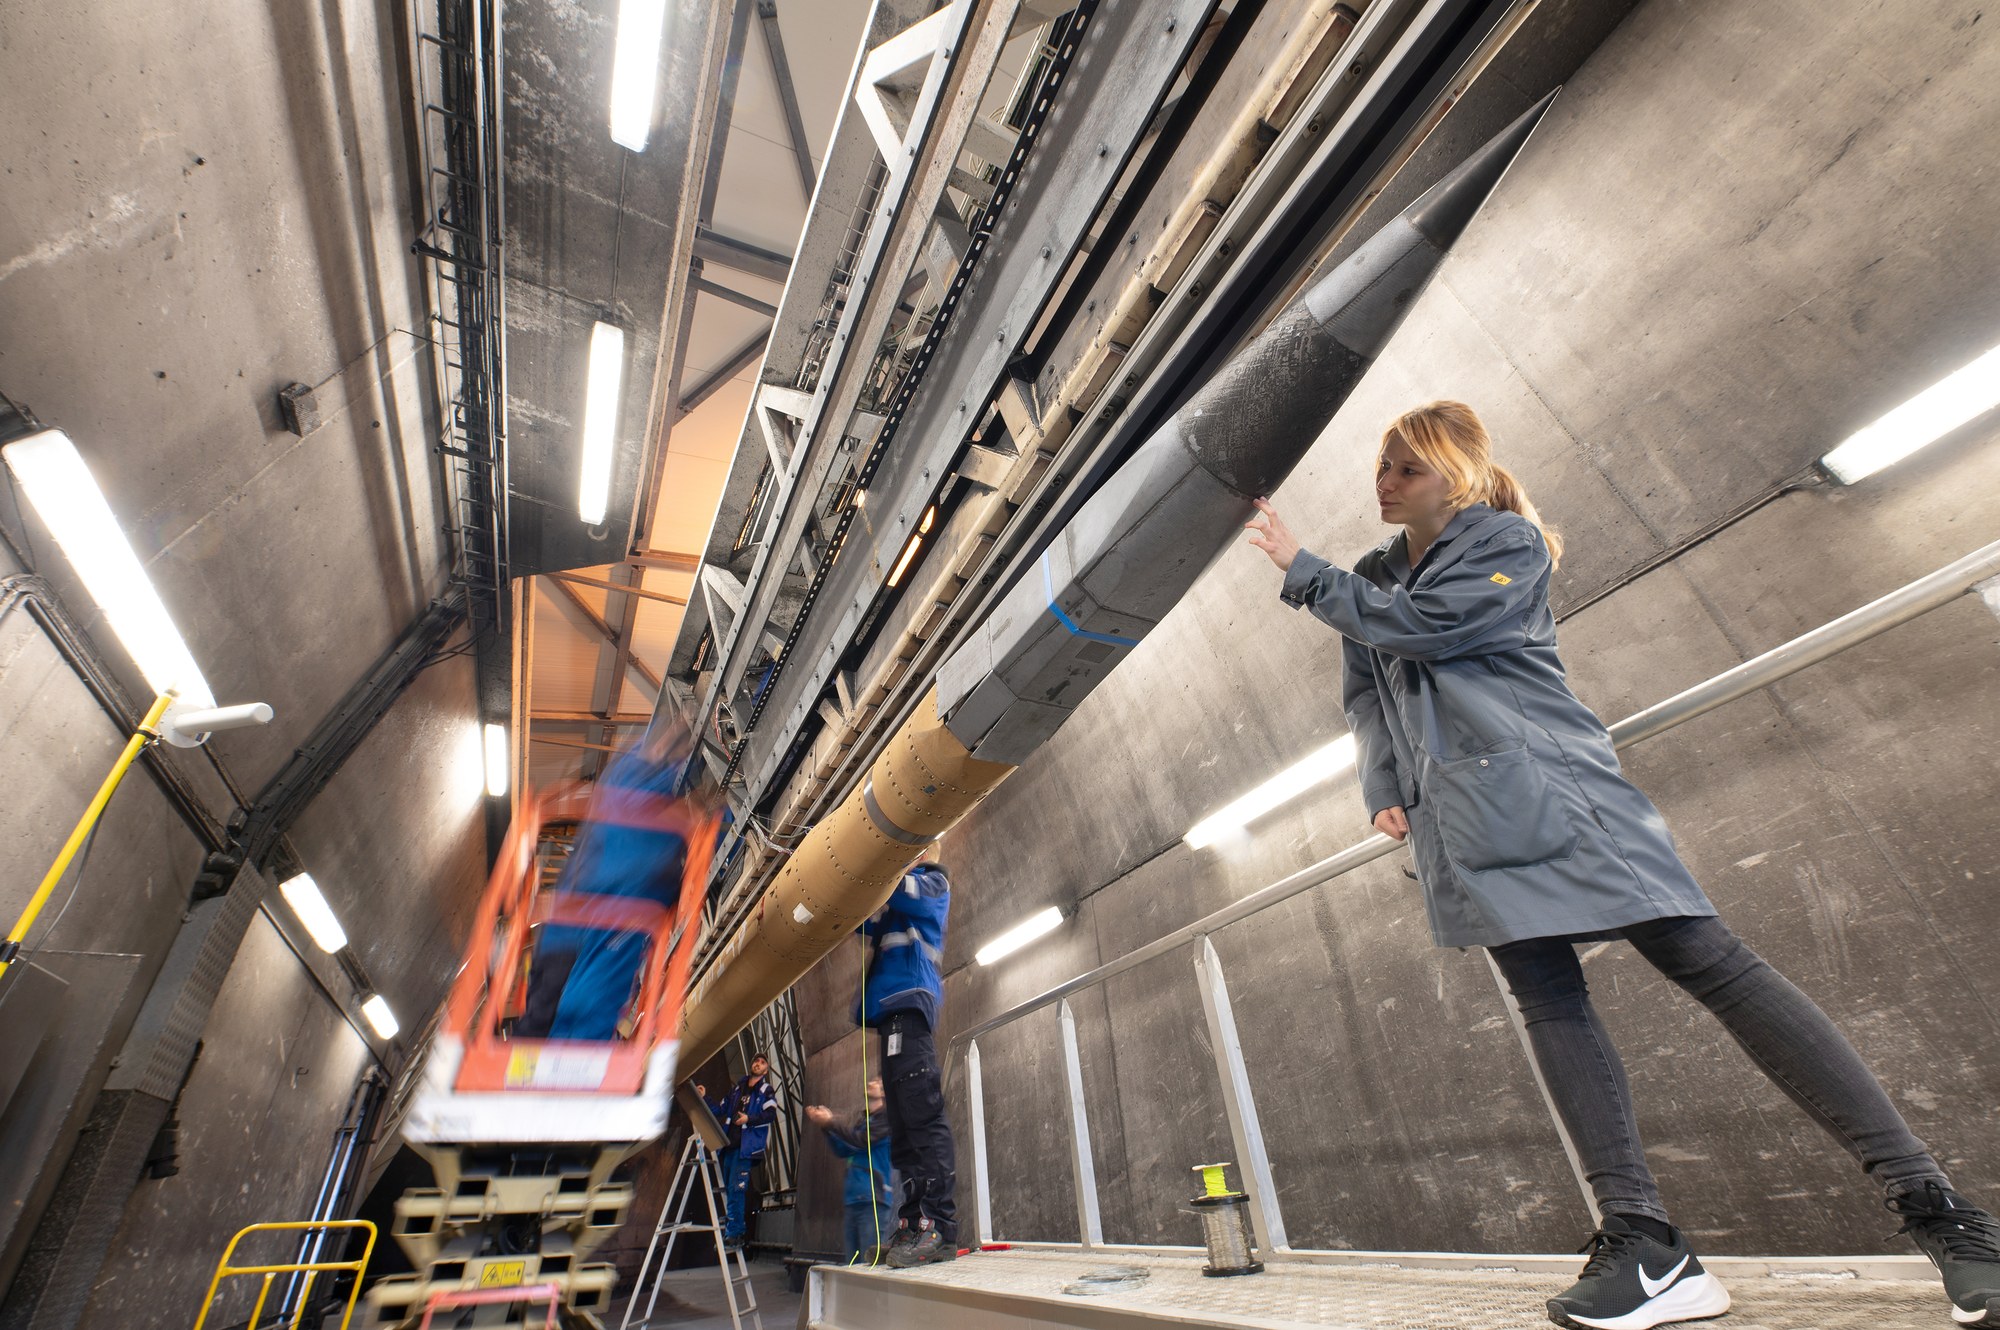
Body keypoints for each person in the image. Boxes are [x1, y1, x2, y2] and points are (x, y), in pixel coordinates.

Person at [1245, 400, 2000, 1330]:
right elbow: (1366, 694)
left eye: (1407, 467)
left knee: (1712, 963)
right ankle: (1644, 1242)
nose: (1385, 482)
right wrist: (1383, 785)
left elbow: (1430, 628)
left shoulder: (1506, 542)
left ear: (1457, 475)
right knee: (1545, 999)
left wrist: (1300, 568)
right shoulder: (1369, 575)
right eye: (1382, 465)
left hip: (1555, 792)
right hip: (1459, 818)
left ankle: (1941, 1212)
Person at [518, 713, 707, 1041]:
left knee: (560, 1009)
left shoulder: (625, 782)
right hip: (599, 924)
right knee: (580, 1005)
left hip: (579, 930)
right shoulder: (633, 790)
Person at [855, 860, 958, 1267]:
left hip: (910, 1014)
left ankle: (939, 1227)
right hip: (890, 1019)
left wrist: (878, 856)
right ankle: (912, 1223)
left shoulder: (933, 884)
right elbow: (864, 923)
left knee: (922, 1121)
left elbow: (897, 887)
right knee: (902, 1131)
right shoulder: (895, 906)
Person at [806, 1077, 894, 1265]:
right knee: (852, 1264)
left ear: (884, 1092)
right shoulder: (863, 1122)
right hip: (853, 1200)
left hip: (873, 1199)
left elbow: (861, 1140)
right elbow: (843, 1149)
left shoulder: (886, 1120)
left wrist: (831, 1122)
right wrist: (825, 1127)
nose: (871, 1082)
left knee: (869, 1264)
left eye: (878, 1081)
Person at [698, 1054, 779, 1252]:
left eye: (762, 1063)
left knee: (736, 1189)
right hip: (729, 1146)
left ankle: (734, 1234)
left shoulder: (766, 1091)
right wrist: (704, 1097)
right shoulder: (737, 1089)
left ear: (766, 1070)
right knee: (729, 1189)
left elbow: (770, 1114)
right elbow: (720, 1110)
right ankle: (734, 1229)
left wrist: (748, 1119)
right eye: (756, 1061)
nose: (758, 1064)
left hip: (746, 1148)